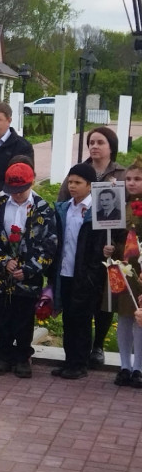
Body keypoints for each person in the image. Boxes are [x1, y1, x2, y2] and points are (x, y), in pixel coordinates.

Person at [56, 127, 126, 367]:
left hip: (93, 265)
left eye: (100, 142)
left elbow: (118, 221)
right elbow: (62, 202)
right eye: (91, 142)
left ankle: (88, 354)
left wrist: (112, 248)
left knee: (91, 312)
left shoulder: (121, 174)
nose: (94, 146)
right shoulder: (73, 189)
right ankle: (72, 360)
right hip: (69, 268)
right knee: (71, 316)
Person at [0, 163, 57, 378]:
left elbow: (49, 244)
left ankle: (23, 357)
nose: (16, 195)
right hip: (1, 275)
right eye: (12, 191)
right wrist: (3, 260)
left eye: (20, 191)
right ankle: (3, 355)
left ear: (31, 184)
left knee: (24, 318)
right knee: (2, 316)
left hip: (28, 275)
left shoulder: (43, 207)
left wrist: (29, 268)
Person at [50, 163, 106, 380]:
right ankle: (69, 361)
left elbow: (99, 248)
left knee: (81, 319)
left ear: (90, 186)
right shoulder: (64, 209)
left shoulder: (97, 213)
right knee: (68, 320)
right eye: (70, 182)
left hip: (85, 276)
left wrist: (92, 275)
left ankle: (80, 363)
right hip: (64, 272)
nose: (72, 186)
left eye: (78, 183)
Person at [105, 158, 142, 387]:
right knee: (124, 316)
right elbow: (114, 233)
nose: (131, 183)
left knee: (140, 317)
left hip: (140, 266)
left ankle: (138, 367)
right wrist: (109, 249)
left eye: (137, 179)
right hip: (122, 263)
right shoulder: (120, 203)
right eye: (128, 179)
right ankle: (124, 366)